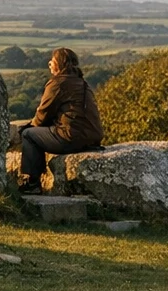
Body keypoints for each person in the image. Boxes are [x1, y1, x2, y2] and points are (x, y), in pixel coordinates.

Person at [17, 47, 103, 194]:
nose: (49, 63)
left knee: (29, 135)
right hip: (91, 138)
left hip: (70, 138)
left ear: (59, 64)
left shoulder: (58, 83)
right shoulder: (81, 82)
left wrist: (27, 128)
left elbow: (43, 114)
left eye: (53, 61)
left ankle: (32, 184)